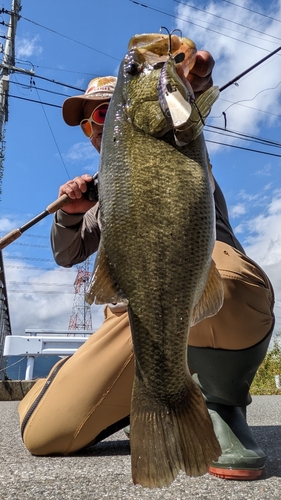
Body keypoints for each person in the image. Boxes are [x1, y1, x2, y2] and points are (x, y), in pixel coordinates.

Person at [18, 51, 275, 481]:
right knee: (45, 432)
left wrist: (188, 84)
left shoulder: (176, 139)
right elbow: (67, 255)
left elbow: (189, 98)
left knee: (225, 278)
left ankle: (221, 401)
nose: (96, 127)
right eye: (88, 123)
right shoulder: (105, 197)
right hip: (139, 318)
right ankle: (138, 398)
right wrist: (72, 213)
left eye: (103, 111)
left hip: (198, 293)